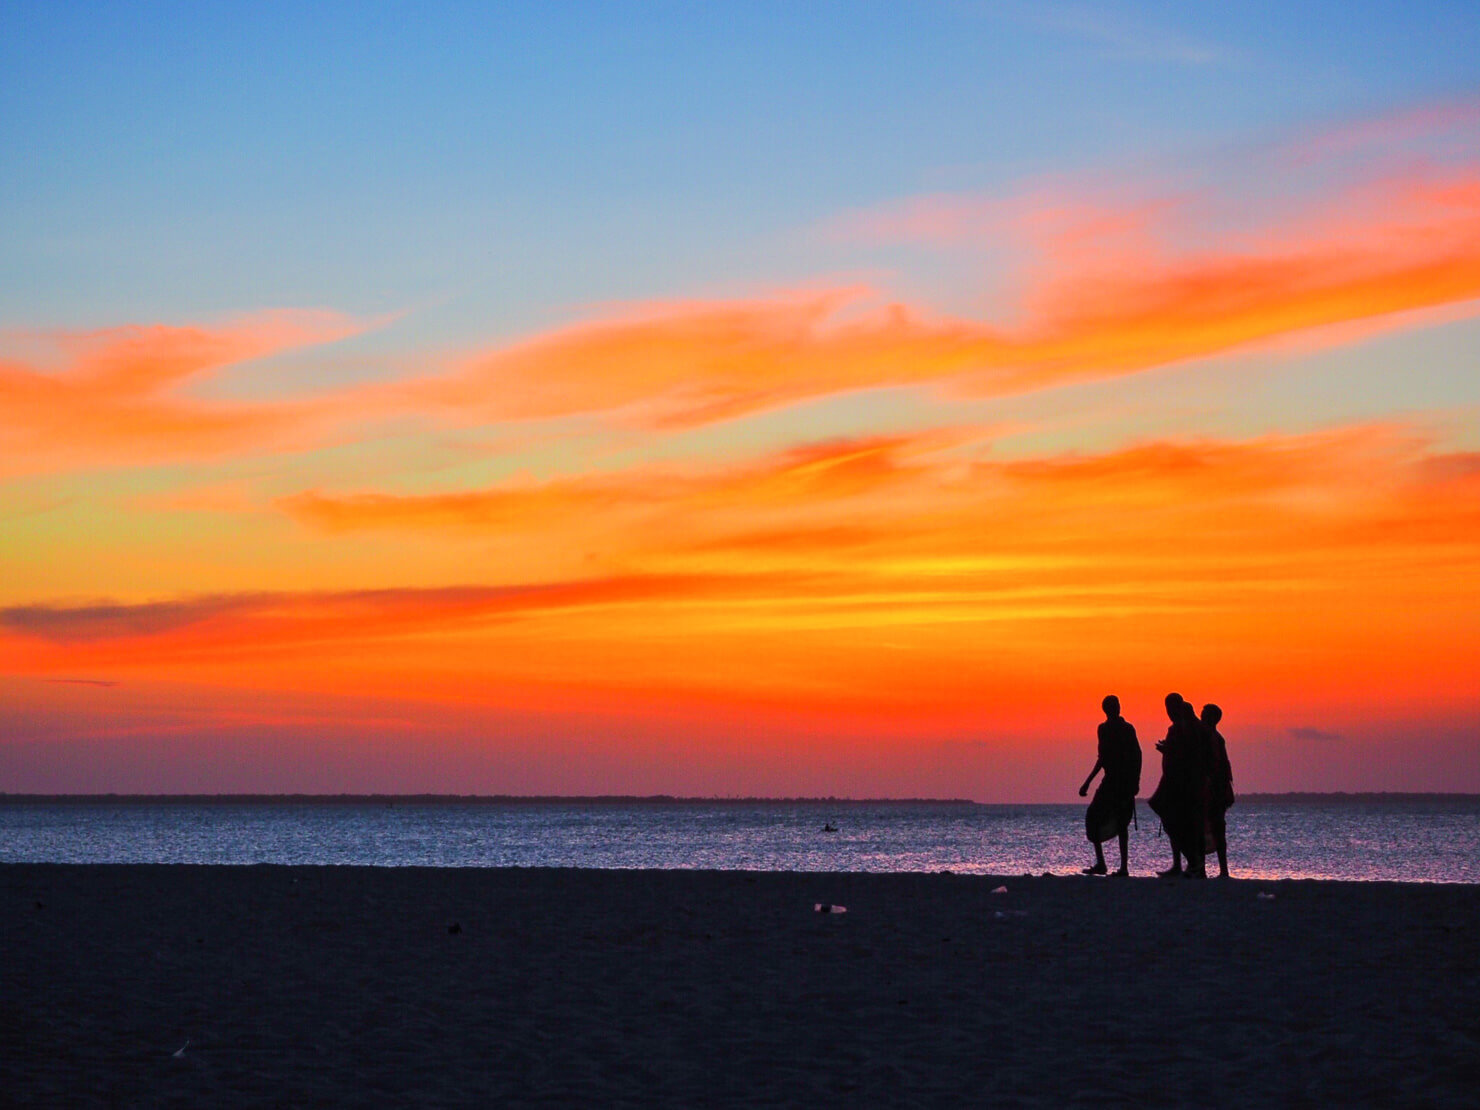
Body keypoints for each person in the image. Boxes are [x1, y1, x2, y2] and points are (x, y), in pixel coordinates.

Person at [1147, 693, 1209, 878]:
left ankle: (1194, 863)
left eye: (1171, 707)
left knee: (1180, 821)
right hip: (1176, 781)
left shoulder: (1187, 728)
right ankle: (1182, 864)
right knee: (1174, 819)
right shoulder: (1179, 728)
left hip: (1182, 783)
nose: (1169, 712)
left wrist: (1168, 750)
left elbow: (1189, 754)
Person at [1079, 695, 1141, 876]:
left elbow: (1137, 755)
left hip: (1124, 781)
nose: (1116, 708)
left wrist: (1135, 781)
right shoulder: (1103, 729)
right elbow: (1102, 758)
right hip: (1110, 780)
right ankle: (1101, 864)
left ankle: (1124, 868)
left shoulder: (1128, 729)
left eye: (1117, 705)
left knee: (1123, 824)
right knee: (1092, 817)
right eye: (1113, 706)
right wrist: (1087, 783)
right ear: (1106, 709)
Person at [1202, 703, 1234, 878]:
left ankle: (1219, 870)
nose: (1201, 716)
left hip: (1214, 789)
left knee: (1213, 828)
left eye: (1205, 714)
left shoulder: (1212, 738)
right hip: (1217, 788)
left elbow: (1215, 765)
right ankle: (1220, 870)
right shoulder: (1215, 737)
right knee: (1215, 828)